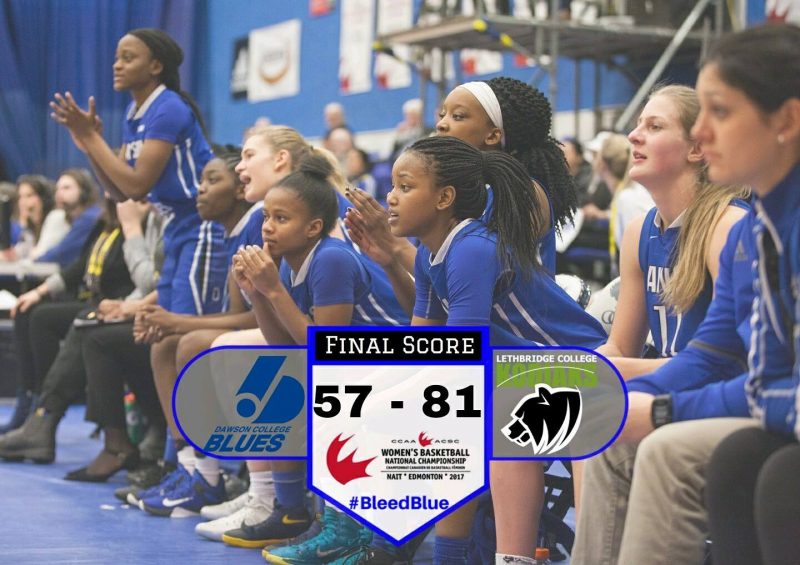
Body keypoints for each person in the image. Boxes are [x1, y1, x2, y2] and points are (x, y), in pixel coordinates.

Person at [571, 23, 800, 565]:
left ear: (786, 120)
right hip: (734, 396)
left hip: (743, 402)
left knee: (671, 447)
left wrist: (660, 408)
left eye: (720, 114)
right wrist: (625, 398)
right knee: (599, 425)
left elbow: (754, 375)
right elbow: (714, 351)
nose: (706, 134)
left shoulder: (731, 225)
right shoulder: (758, 227)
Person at [376, 136, 605, 565]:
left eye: (404, 187)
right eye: (392, 185)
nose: (389, 197)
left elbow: (460, 355)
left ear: (444, 198)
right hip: (520, 371)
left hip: (579, 365)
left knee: (452, 422)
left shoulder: (471, 249)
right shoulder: (429, 255)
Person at [227, 154, 408, 560]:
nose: (268, 227)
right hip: (365, 363)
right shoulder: (293, 264)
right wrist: (258, 293)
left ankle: (341, 529)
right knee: (277, 382)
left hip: (404, 358)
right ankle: (298, 512)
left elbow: (329, 349)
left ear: (312, 227)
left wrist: (272, 290)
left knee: (329, 398)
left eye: (281, 218)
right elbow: (286, 348)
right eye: (266, 217)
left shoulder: (330, 259)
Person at [50, 27, 227, 317]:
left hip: (202, 225)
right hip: (175, 227)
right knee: (161, 335)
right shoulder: (135, 111)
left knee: (181, 332)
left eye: (128, 58)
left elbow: (137, 186)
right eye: (117, 58)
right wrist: (88, 145)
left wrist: (94, 140)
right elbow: (119, 192)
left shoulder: (168, 107)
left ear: (155, 66)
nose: (117, 65)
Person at [597, 85, 749, 379]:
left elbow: (725, 364)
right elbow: (619, 347)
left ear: (697, 149)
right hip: (667, 384)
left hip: (714, 394)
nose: (633, 135)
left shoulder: (728, 226)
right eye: (638, 124)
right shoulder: (639, 231)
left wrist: (587, 370)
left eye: (654, 126)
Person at [0, 198, 137, 462]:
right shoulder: (103, 224)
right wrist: (39, 291)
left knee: (84, 323)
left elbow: (147, 279)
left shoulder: (135, 225)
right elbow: (79, 268)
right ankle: (32, 406)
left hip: (121, 304)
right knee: (32, 313)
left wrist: (133, 229)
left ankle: (46, 416)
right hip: (94, 302)